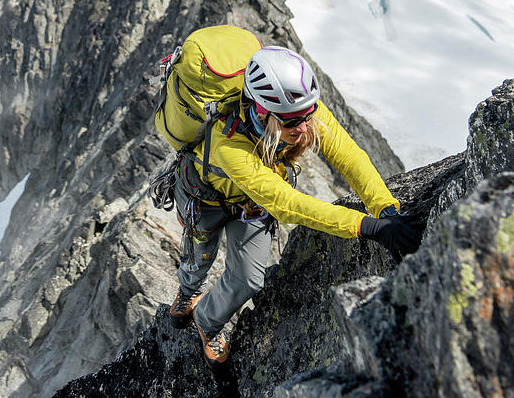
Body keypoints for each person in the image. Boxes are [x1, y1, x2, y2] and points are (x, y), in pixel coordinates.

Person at [167, 46, 422, 370]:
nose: (303, 127)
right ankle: (188, 292)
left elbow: (348, 155)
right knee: (197, 261)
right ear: (261, 112)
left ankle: (206, 320)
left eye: (307, 116)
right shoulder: (227, 143)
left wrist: (385, 209)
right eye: (291, 122)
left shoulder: (299, 109)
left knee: (248, 280)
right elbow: (288, 204)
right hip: (203, 200)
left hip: (250, 205)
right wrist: (368, 227)